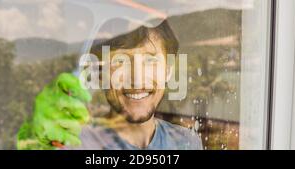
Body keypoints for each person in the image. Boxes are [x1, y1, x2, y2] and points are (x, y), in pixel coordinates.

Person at [76, 20, 202, 150]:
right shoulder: (76, 144)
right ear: (100, 74)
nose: (136, 80)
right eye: (120, 61)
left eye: (150, 60)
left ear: (167, 71)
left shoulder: (188, 142)